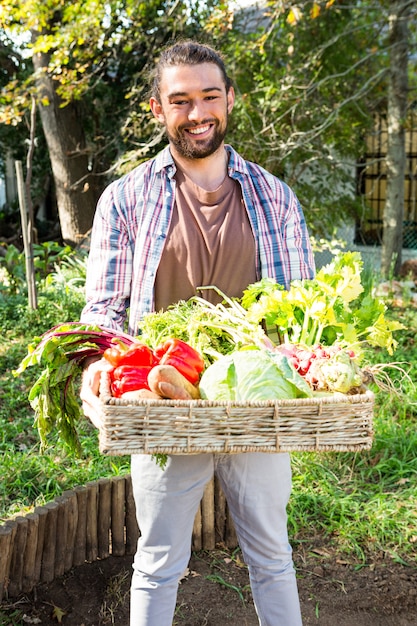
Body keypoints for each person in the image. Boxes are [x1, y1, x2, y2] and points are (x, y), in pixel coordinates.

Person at [80, 40, 315, 626]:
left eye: (210, 95)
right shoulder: (127, 199)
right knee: (158, 560)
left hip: (253, 399)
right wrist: (98, 364)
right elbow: (105, 310)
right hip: (164, 400)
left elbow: (299, 313)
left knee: (271, 554)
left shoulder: (274, 198)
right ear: (159, 110)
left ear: (230, 100)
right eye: (180, 100)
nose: (198, 112)